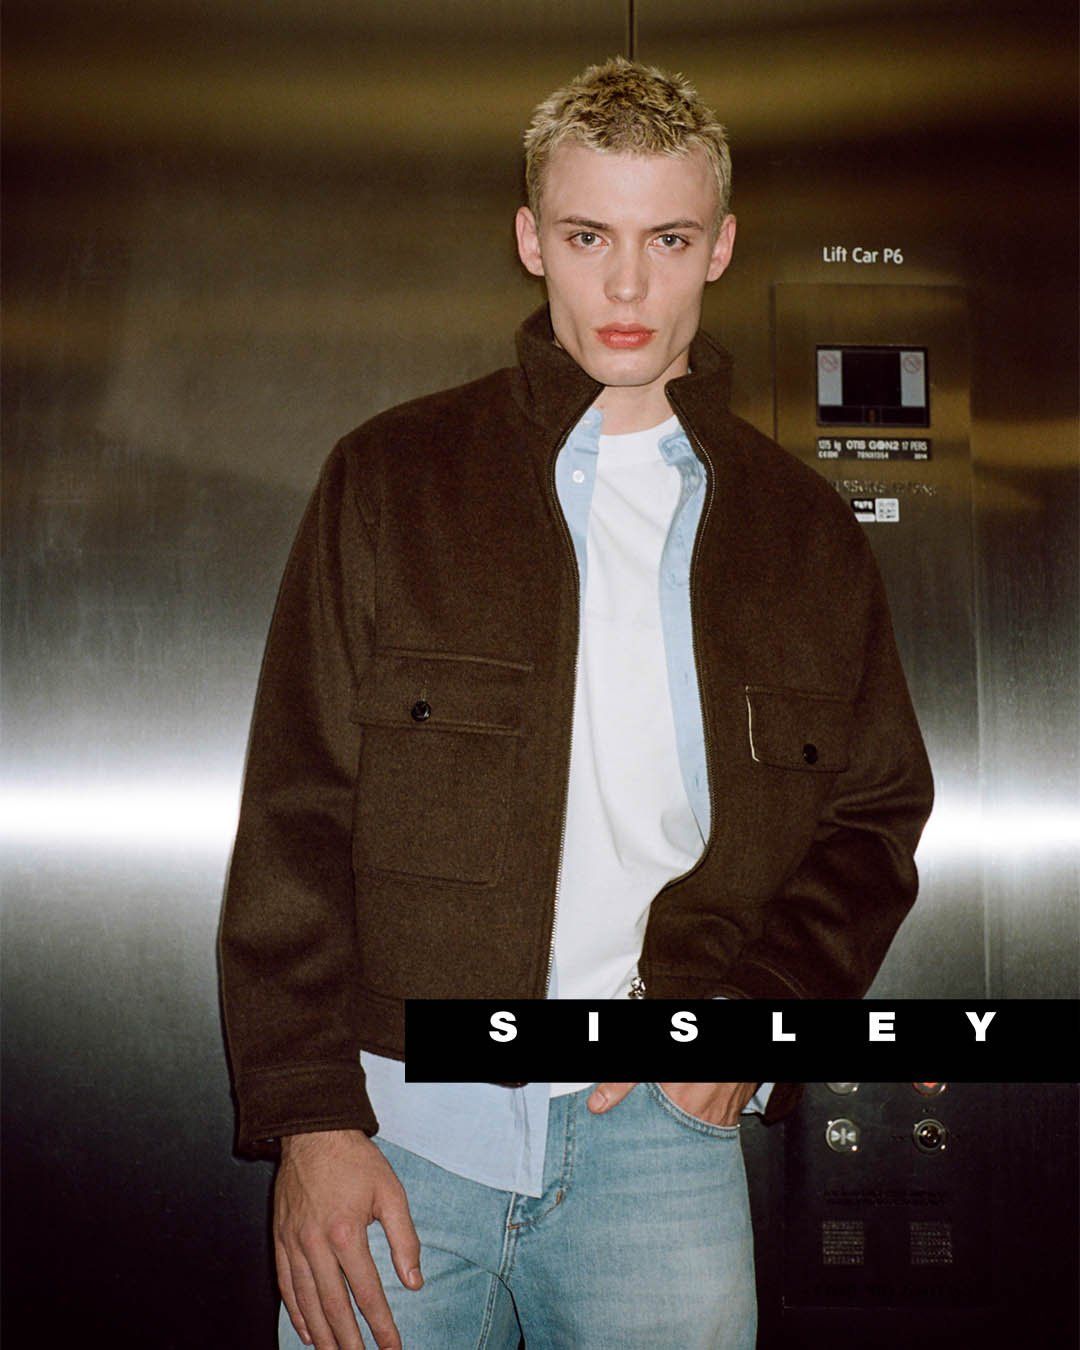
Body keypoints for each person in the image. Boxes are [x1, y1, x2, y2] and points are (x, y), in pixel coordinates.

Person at [219, 56, 933, 1350]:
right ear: (530, 239)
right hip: (397, 1134)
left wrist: (755, 1014)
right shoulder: (392, 481)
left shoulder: (805, 535)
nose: (626, 286)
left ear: (720, 247)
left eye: (667, 239)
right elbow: (295, 813)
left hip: (657, 1143)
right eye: (588, 235)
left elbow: (873, 819)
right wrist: (310, 1120)